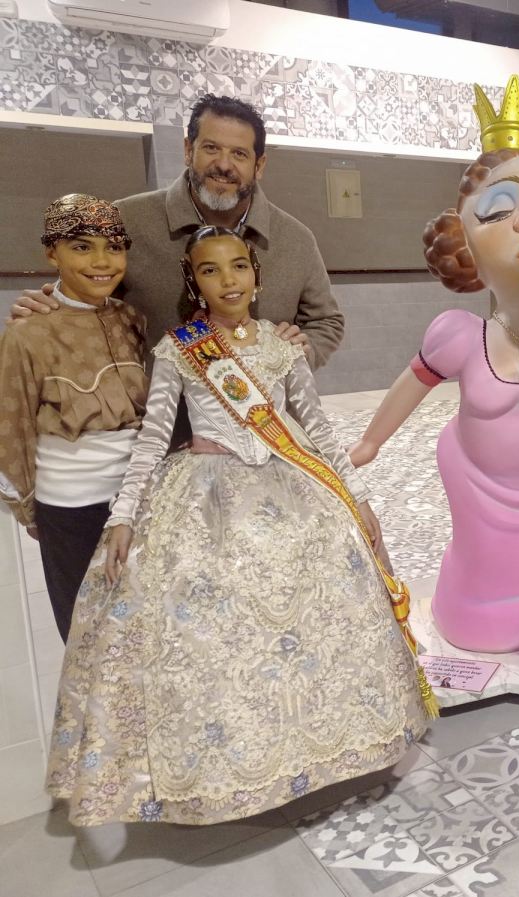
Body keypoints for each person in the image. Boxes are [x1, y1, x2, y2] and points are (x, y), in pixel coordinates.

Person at [45, 226, 435, 826]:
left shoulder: (283, 347)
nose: (228, 281)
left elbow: (317, 428)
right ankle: (233, 769)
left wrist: (358, 498)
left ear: (257, 274)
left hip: (291, 485)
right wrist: (124, 514)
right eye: (210, 270)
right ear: (192, 280)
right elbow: (153, 438)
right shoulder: (181, 349)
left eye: (238, 266)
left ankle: (330, 747)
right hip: (205, 495)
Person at [349, 76, 519, 654]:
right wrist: (370, 442)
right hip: (480, 487)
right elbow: (410, 386)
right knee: (485, 569)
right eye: (500, 209)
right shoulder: (458, 335)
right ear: (462, 240)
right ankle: (479, 615)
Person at [9, 94, 343, 367]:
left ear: (259, 165)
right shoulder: (126, 220)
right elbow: (83, 294)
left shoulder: (296, 239)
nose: (223, 164)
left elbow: (326, 321)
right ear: (188, 150)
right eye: (211, 148)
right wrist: (50, 308)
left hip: (264, 417)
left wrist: (302, 353)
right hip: (154, 417)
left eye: (239, 154)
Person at [0, 195, 148, 642]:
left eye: (114, 247)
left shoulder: (131, 320)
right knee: (86, 632)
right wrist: (29, 510)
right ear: (52, 253)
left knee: (142, 629)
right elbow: (11, 429)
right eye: (82, 247)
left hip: (140, 500)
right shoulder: (28, 333)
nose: (101, 262)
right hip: (71, 509)